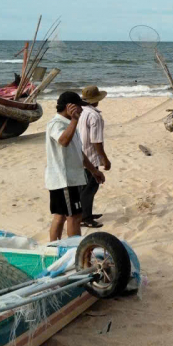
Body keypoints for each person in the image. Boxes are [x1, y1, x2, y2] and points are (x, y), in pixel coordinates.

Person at [45, 92, 105, 241]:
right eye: (79, 107)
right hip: (64, 179)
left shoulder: (69, 124)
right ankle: (74, 252)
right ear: (69, 107)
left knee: (61, 216)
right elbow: (63, 141)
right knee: (74, 216)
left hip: (70, 178)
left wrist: (93, 170)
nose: (82, 110)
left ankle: (54, 249)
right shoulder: (56, 124)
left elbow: (78, 152)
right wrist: (74, 120)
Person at [78, 85, 111, 228]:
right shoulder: (95, 116)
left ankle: (86, 213)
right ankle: (85, 217)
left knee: (84, 187)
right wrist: (104, 158)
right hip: (90, 156)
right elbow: (96, 141)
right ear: (96, 100)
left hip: (79, 154)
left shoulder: (80, 111)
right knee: (90, 188)